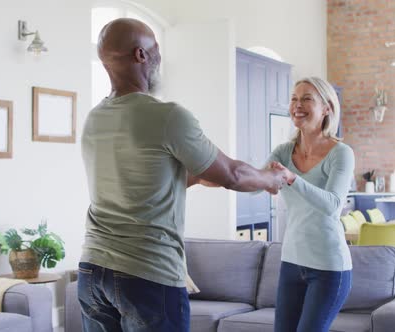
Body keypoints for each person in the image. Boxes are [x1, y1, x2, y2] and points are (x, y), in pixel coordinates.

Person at [78, 18, 288, 332]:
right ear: (141, 55)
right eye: (156, 48)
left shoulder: (94, 119)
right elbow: (232, 173)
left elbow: (136, 184)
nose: (160, 57)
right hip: (146, 273)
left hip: (93, 272)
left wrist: (192, 177)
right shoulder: (167, 116)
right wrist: (271, 180)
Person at [268, 77, 355, 332]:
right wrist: (215, 173)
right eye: (294, 99)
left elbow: (332, 205)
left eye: (307, 98)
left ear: (327, 107)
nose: (298, 105)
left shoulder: (341, 153)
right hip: (291, 263)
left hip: (329, 269)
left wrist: (292, 178)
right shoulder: (283, 151)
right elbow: (257, 182)